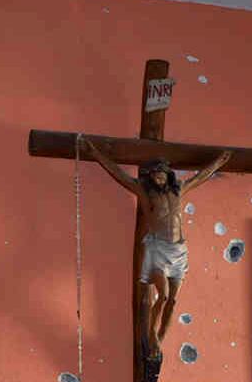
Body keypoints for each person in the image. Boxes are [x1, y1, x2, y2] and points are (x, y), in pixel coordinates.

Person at [80, 138, 232, 356]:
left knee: (173, 299)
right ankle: (152, 335)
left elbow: (200, 177)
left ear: (168, 174)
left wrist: (218, 163)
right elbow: (119, 174)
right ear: (150, 177)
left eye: (161, 173)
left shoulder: (179, 190)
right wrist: (96, 153)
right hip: (158, 250)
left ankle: (159, 340)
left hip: (178, 250)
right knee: (162, 294)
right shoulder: (145, 192)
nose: (158, 177)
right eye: (154, 174)